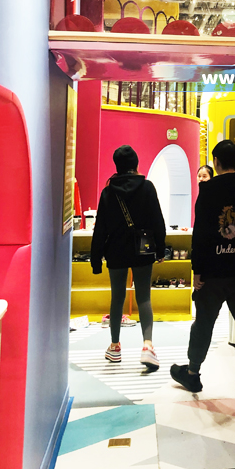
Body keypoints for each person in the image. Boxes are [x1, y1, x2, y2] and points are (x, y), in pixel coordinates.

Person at [170, 140, 235, 406]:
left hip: (213, 274)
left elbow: (201, 234)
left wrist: (197, 270)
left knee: (203, 324)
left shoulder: (208, 190)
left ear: (215, 162)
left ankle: (193, 373)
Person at [91, 145, 166, 371]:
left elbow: (100, 229)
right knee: (144, 297)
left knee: (117, 297)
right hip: (142, 249)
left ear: (117, 166)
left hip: (115, 250)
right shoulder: (147, 187)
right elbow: (158, 220)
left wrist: (96, 259)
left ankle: (115, 347)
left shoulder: (108, 192)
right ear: (136, 164)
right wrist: (160, 249)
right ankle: (147, 345)